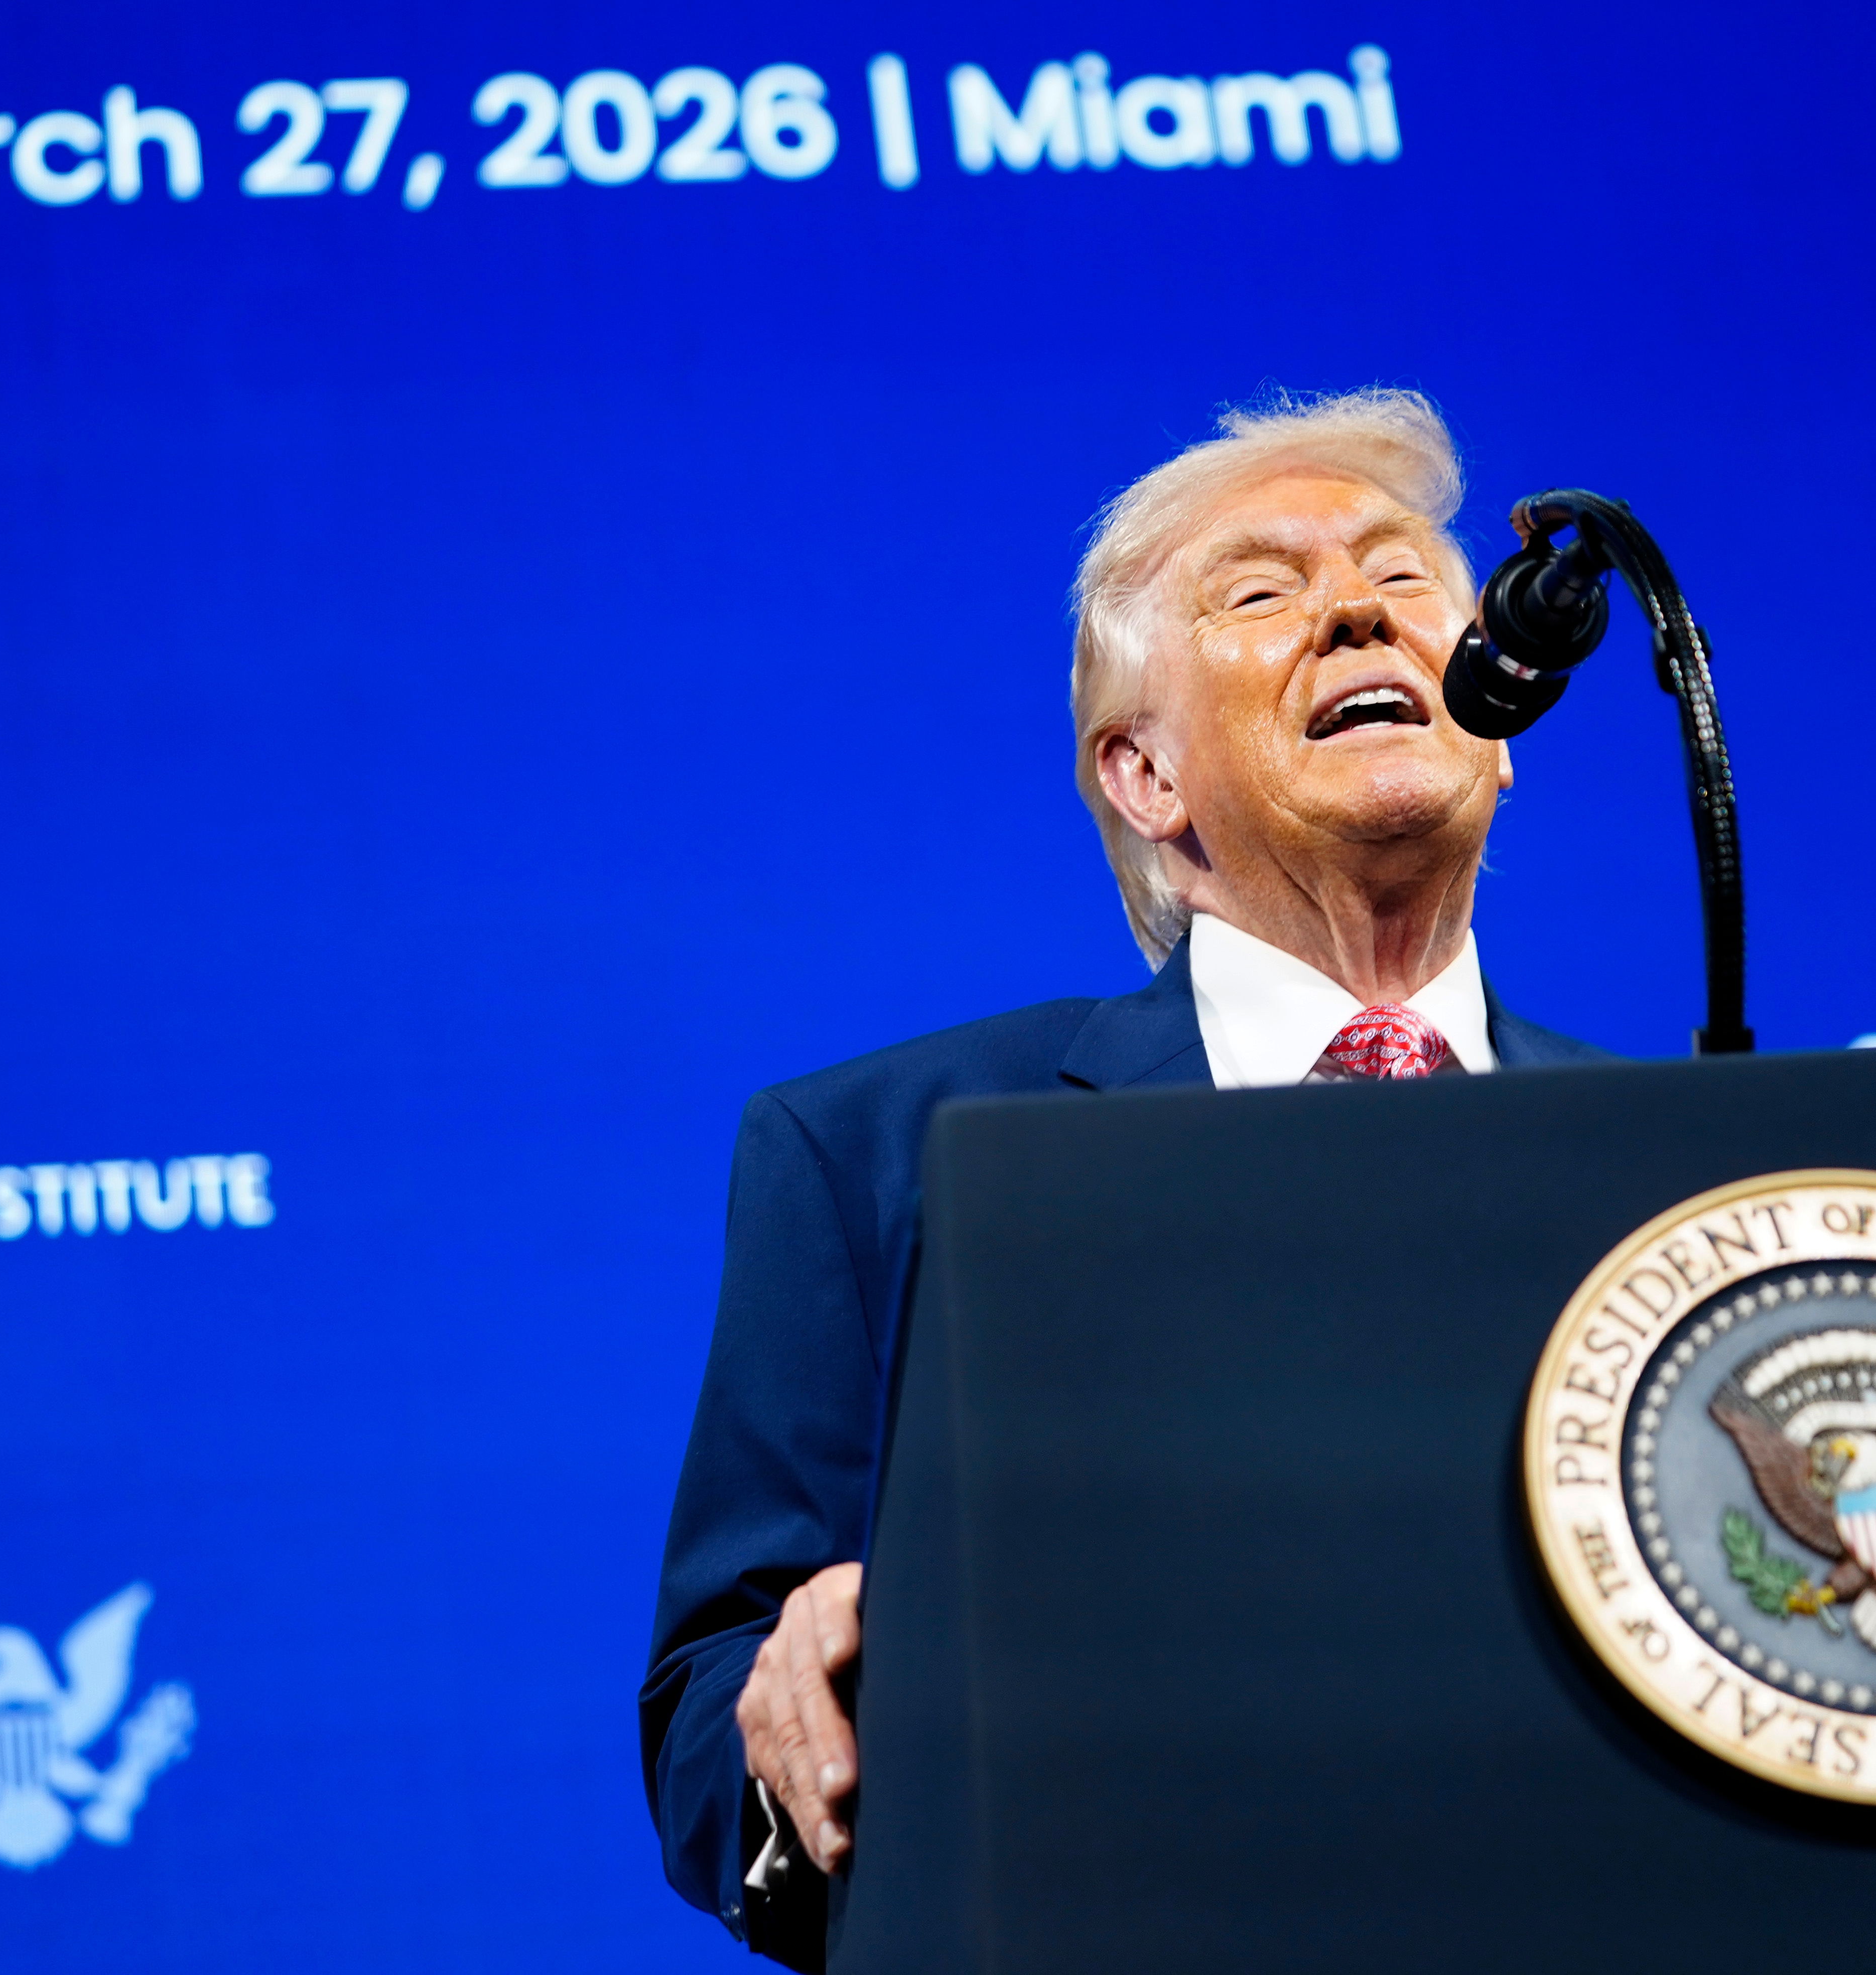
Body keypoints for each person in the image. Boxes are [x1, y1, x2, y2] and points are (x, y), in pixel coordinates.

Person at [638, 388, 1612, 1964]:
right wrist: (837, 1701)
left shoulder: (1685, 1161)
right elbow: (710, 1733)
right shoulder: (884, 1153)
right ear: (1143, 778)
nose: (1356, 607)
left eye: (1400, 575)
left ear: (1499, 721)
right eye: (1261, 593)